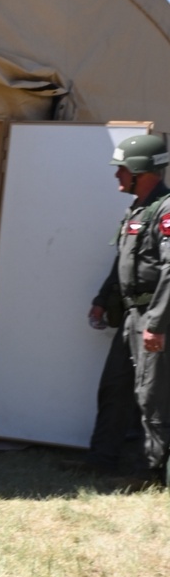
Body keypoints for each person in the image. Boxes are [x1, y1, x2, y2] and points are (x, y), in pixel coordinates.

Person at [86, 132, 170, 483]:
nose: (117, 175)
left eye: (121, 168)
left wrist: (158, 324)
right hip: (129, 316)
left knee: (151, 396)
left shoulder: (166, 210)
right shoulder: (136, 210)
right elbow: (122, 260)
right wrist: (102, 301)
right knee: (114, 389)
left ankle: (150, 471)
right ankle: (102, 461)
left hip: (153, 316)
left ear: (140, 169)